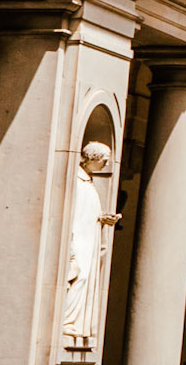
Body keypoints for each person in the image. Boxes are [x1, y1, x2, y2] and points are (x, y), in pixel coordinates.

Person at [61, 141, 118, 352]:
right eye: (103, 159)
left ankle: (75, 325)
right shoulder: (76, 180)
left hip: (88, 241)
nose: (106, 163)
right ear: (92, 158)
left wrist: (103, 219)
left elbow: (88, 213)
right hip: (78, 241)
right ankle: (67, 322)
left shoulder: (88, 182)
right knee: (79, 276)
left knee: (86, 279)